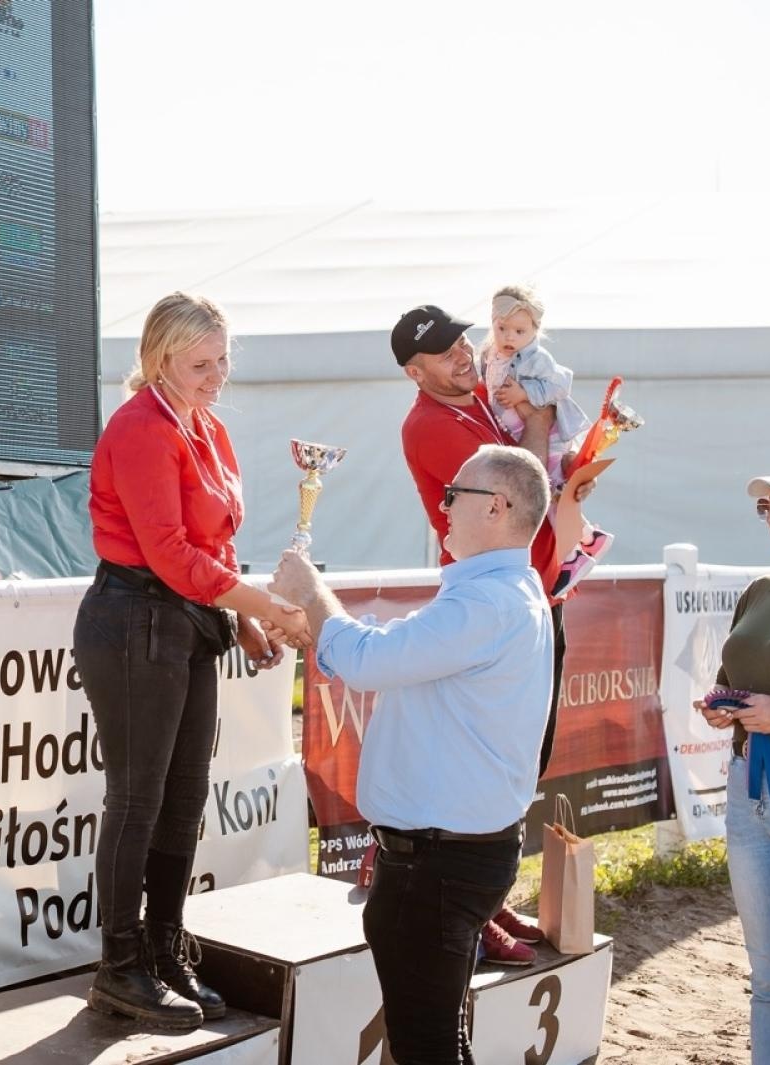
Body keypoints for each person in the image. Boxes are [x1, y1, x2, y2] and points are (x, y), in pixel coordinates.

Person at [272, 444, 555, 1065]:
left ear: (498, 507)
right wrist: (321, 622)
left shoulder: (487, 600)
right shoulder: (505, 591)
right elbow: (387, 654)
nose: (442, 506)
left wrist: (311, 594)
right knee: (433, 1034)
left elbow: (372, 662)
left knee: (425, 1043)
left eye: (454, 494)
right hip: (446, 855)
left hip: (436, 861)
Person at [75, 292, 309, 1030]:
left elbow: (213, 549)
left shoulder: (206, 427)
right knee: (137, 798)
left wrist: (242, 616)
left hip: (182, 621)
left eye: (222, 360)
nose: (216, 375)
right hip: (134, 617)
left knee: (182, 797)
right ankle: (119, 968)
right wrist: (265, 605)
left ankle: (164, 948)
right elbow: (171, 553)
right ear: (159, 360)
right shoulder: (141, 426)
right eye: (200, 363)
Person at [391, 302, 590, 965]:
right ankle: (471, 909)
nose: (462, 354)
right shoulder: (428, 424)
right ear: (414, 372)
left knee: (519, 757)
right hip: (490, 602)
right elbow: (522, 491)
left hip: (525, 592)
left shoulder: (475, 397)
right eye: (444, 352)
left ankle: (488, 894)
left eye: (461, 340)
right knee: (489, 759)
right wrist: (538, 422)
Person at [695, 455, 770, 1065]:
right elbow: (726, 675)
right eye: (768, 506)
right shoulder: (762, 590)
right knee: (767, 978)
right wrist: (720, 704)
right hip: (748, 787)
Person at [477, 284, 609, 594]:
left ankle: (575, 551)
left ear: (535, 330)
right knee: (551, 488)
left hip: (545, 433)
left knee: (545, 489)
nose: (510, 337)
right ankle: (589, 537)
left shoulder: (535, 358)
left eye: (520, 331)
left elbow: (561, 385)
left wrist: (526, 393)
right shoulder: (489, 355)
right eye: (502, 328)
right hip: (520, 429)